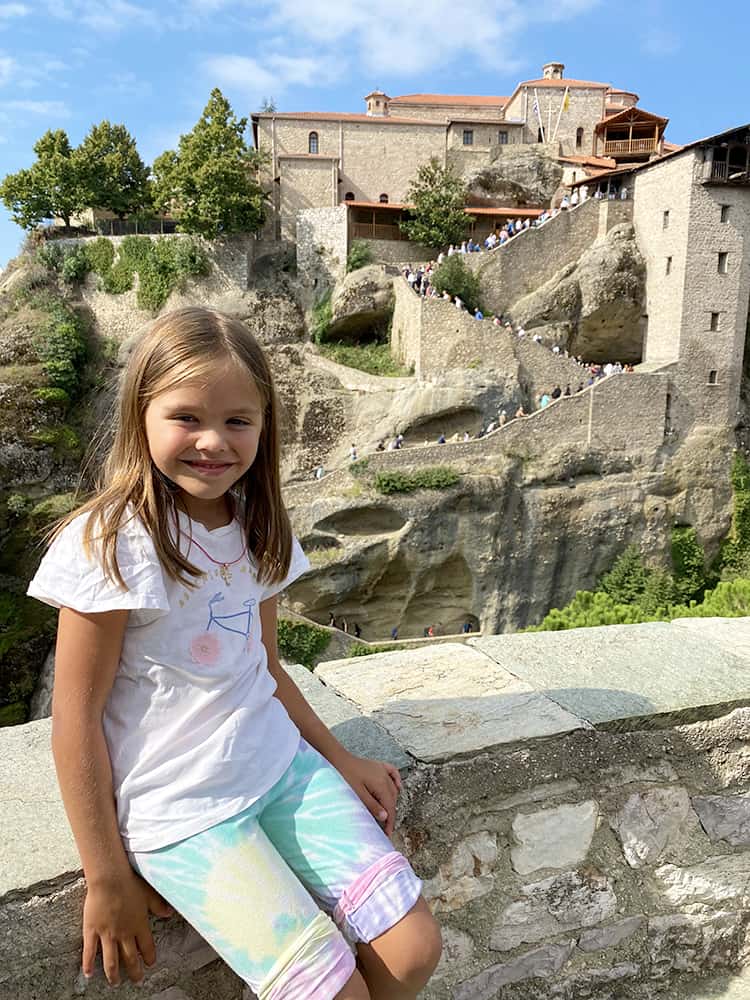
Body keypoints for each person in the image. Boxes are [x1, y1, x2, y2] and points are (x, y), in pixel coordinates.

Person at [27, 307, 441, 998]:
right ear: (141, 415)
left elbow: (267, 669)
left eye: (238, 421)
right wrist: (106, 876)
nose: (213, 442)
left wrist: (340, 759)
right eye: (186, 417)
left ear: (265, 425)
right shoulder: (112, 542)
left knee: (414, 949)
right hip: (184, 808)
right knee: (331, 989)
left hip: (280, 768)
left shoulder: (256, 526)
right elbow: (75, 718)